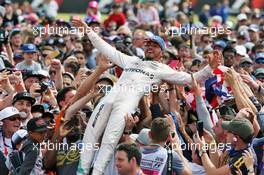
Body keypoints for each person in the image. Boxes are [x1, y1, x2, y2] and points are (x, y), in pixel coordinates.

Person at [72, 18, 221, 175]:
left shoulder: (162, 69)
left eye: (154, 45)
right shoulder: (131, 61)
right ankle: (81, 172)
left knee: (110, 139)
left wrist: (209, 69)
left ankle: (96, 173)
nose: (150, 47)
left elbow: (190, 79)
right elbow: (107, 49)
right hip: (109, 99)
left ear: (161, 52)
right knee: (91, 133)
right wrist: (88, 30)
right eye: (148, 44)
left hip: (125, 105)